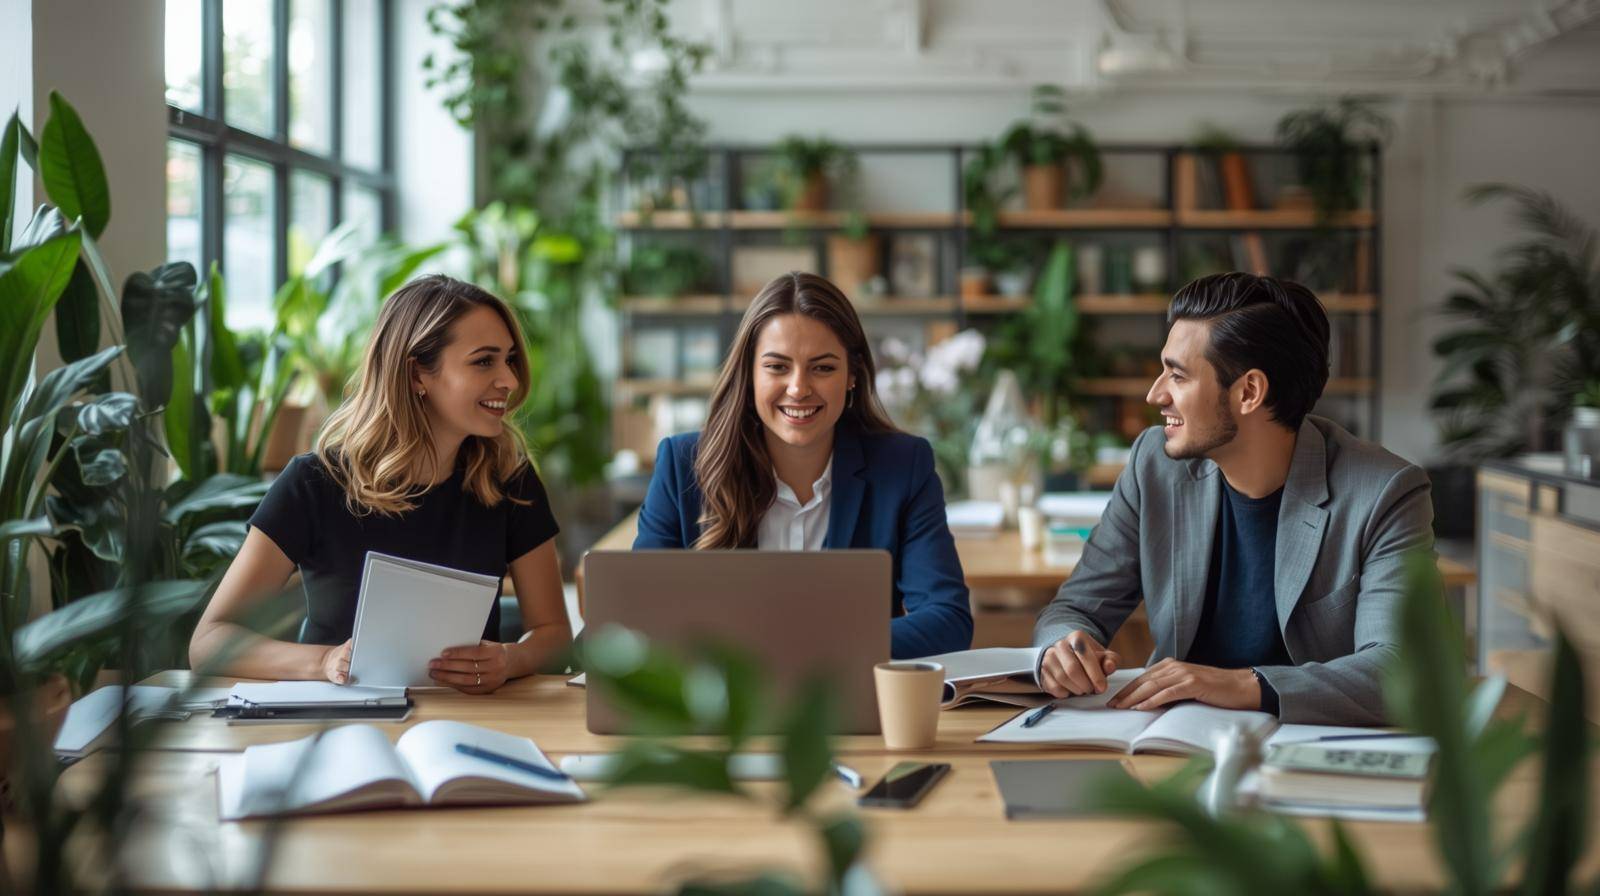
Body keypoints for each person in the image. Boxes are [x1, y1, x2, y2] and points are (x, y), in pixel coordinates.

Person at [1033, 272, 1434, 726]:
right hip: (1168, 739)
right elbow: (1074, 609)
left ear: (1248, 392)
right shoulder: (1154, 465)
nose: (1155, 394)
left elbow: (1402, 670)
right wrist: (1063, 647)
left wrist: (1244, 684)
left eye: (1178, 376)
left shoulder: (1384, 492)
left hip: (1308, 748)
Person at [189, 274, 573, 692]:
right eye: (484, 361)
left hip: (467, 722)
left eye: (510, 359)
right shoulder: (314, 483)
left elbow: (554, 633)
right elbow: (209, 643)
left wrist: (509, 658)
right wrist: (323, 661)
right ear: (416, 376)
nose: (510, 380)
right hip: (334, 726)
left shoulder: (509, 479)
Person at [633, 271, 973, 659]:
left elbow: (948, 621)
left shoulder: (903, 466)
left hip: (849, 706)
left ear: (852, 376)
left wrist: (807, 646)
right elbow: (637, 622)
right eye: (777, 367)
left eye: (823, 367)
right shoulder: (682, 464)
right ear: (749, 374)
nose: (798, 388)